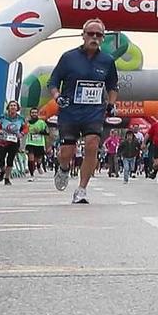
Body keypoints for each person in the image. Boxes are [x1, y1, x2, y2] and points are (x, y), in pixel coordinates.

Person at [46, 19, 120, 204]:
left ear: (103, 38)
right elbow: (53, 82)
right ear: (83, 35)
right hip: (70, 111)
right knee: (66, 152)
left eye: (99, 35)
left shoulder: (107, 60)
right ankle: (63, 168)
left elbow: (113, 86)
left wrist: (111, 104)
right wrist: (57, 97)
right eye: (91, 34)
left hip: (94, 111)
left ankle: (82, 189)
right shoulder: (68, 57)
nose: (94, 38)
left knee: (92, 144)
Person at [0, 101, 26, 184]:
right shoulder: (3, 117)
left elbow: (26, 128)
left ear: (17, 108)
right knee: (0, 160)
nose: (13, 107)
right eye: (11, 105)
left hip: (14, 141)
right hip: (2, 141)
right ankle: (2, 171)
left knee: (10, 160)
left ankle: (7, 179)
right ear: (8, 107)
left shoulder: (21, 118)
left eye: (15, 105)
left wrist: (21, 133)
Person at [24, 110, 49, 177]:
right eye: (32, 113)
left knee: (38, 158)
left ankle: (38, 165)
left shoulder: (41, 122)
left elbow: (47, 132)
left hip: (39, 143)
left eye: (35, 113)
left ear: (37, 114)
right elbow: (24, 130)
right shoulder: (27, 123)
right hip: (30, 142)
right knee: (30, 158)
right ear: (30, 114)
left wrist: (39, 131)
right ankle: (31, 174)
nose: (34, 114)